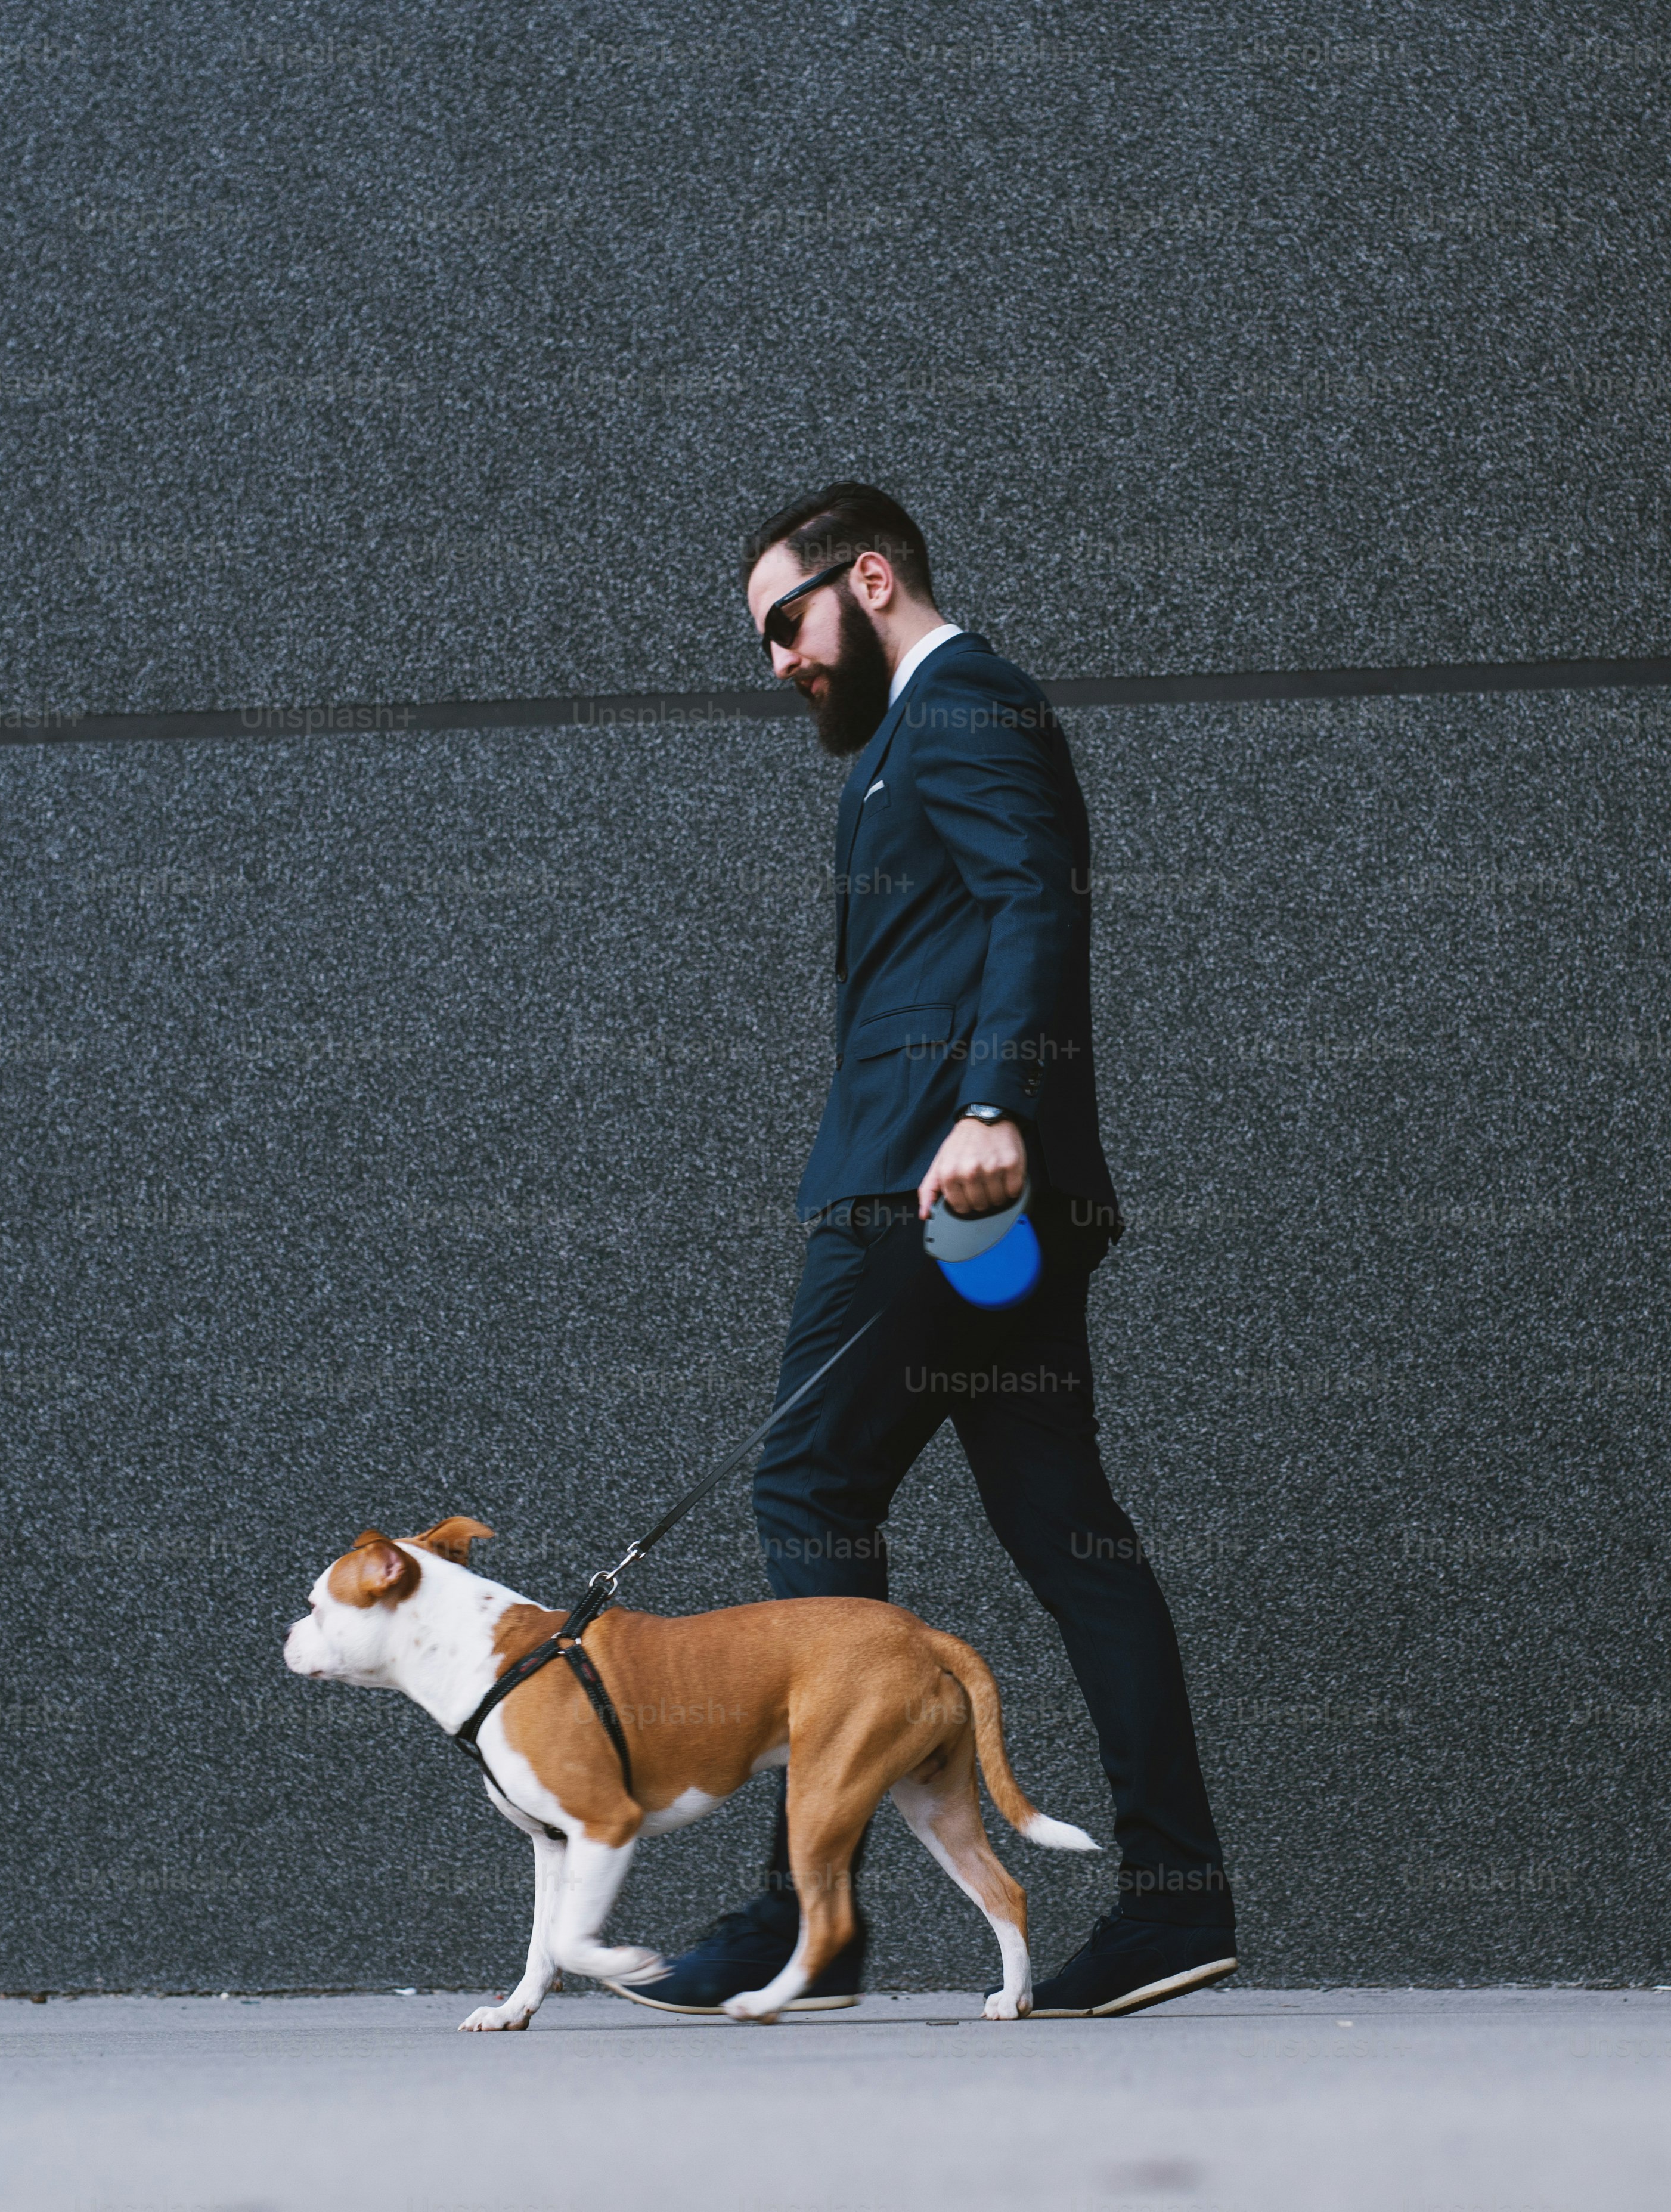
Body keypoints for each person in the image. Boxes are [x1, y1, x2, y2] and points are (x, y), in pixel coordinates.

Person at [621, 482, 1239, 2019]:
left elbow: (1037, 898)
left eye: (786, 622)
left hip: (941, 1182)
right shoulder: (914, 732)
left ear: (871, 578)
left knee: (809, 1483)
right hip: (983, 1208)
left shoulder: (965, 703)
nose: (776, 661)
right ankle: (1178, 1898)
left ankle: (804, 1924)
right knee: (1063, 1528)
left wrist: (989, 1108)